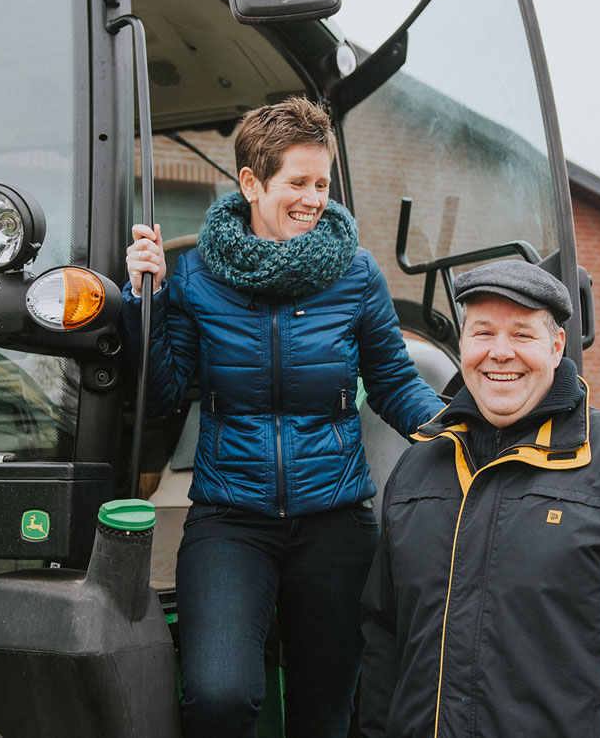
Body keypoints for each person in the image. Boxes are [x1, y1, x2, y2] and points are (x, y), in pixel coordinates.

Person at [123, 97, 442, 738]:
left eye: (321, 184)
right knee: (220, 696)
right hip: (230, 520)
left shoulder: (356, 273)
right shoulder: (197, 275)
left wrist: (460, 430)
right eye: (298, 182)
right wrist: (143, 299)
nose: (313, 199)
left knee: (325, 715)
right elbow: (161, 395)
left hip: (336, 525)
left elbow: (394, 383)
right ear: (251, 182)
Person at [358, 259, 600, 738]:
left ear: (557, 345)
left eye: (522, 335)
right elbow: (383, 647)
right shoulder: (417, 470)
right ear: (463, 344)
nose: (500, 353)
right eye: (483, 333)